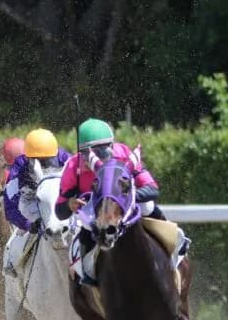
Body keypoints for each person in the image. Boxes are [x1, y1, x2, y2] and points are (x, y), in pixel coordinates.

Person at [55, 118, 187, 285]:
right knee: (86, 223)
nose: (96, 158)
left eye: (103, 151)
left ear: (112, 146)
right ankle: (86, 276)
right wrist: (69, 204)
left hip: (126, 205)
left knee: (148, 206)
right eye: (89, 153)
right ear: (80, 152)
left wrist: (124, 197)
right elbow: (59, 211)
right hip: (95, 210)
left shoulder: (124, 154)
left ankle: (174, 245)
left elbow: (152, 189)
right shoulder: (72, 167)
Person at [2, 128, 70, 278]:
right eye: (37, 161)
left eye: (47, 160)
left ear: (56, 154)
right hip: (31, 201)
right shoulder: (19, 167)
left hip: (60, 199)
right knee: (23, 231)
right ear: (28, 157)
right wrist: (27, 224)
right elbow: (10, 204)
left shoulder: (66, 159)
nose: (42, 165)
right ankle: (13, 261)